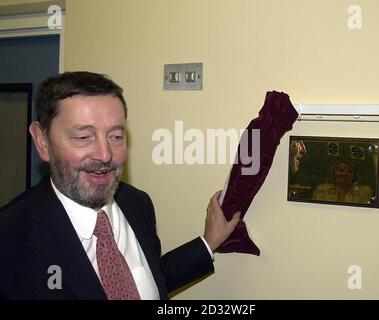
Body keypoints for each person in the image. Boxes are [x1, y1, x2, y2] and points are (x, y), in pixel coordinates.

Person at [0, 71, 241, 300]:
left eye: (116, 136)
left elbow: (147, 279)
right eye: (84, 137)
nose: (105, 154)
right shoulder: (11, 239)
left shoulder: (137, 203)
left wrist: (207, 242)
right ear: (42, 142)